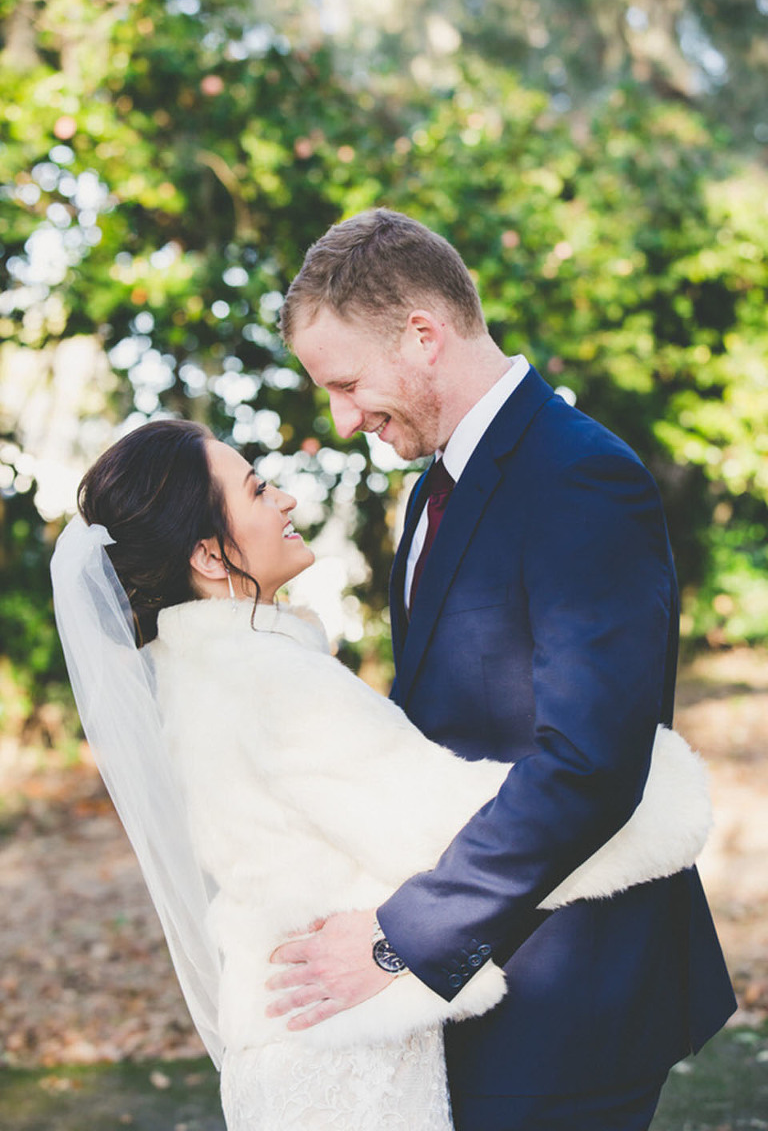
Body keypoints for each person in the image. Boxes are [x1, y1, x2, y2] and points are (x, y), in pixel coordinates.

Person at [50, 420, 713, 1131]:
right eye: (257, 489)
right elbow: (442, 827)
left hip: (292, 1038)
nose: (286, 502)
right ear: (211, 554)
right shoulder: (270, 681)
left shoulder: (189, 675)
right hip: (345, 1056)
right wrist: (656, 789)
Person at [274, 208, 737, 1131]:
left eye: (349, 383)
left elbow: (591, 763)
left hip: (573, 988)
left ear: (422, 335)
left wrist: (401, 938)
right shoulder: (429, 497)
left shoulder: (578, 477)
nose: (345, 416)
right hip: (486, 979)